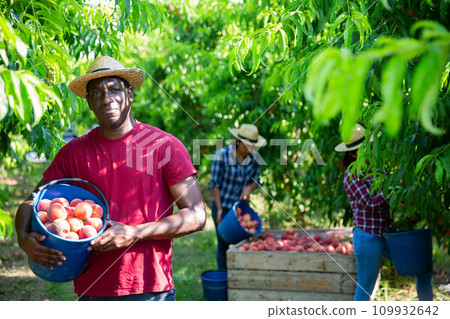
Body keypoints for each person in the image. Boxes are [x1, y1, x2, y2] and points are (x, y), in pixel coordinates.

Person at [15, 56, 206, 301]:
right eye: (96, 94)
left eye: (114, 89)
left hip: (149, 288)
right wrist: (23, 238)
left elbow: (196, 215)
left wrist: (135, 232)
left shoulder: (162, 146)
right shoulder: (74, 153)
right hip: (92, 289)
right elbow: (32, 203)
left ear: (130, 94)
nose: (107, 99)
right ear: (89, 103)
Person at [335, 124, 433, 301]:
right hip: (368, 236)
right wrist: (392, 193)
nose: (372, 150)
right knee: (366, 286)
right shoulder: (352, 175)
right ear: (353, 153)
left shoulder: (380, 169)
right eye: (366, 148)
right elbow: (370, 204)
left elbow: (394, 197)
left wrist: (408, 199)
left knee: (423, 270)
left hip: (389, 234)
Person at [209, 124, 266, 269]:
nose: (250, 149)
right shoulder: (222, 155)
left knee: (243, 243)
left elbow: (256, 181)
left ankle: (239, 275)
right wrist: (220, 209)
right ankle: (224, 279)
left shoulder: (255, 158)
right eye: (247, 145)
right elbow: (215, 184)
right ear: (238, 141)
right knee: (223, 243)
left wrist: (249, 187)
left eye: (253, 146)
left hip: (240, 207)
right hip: (223, 204)